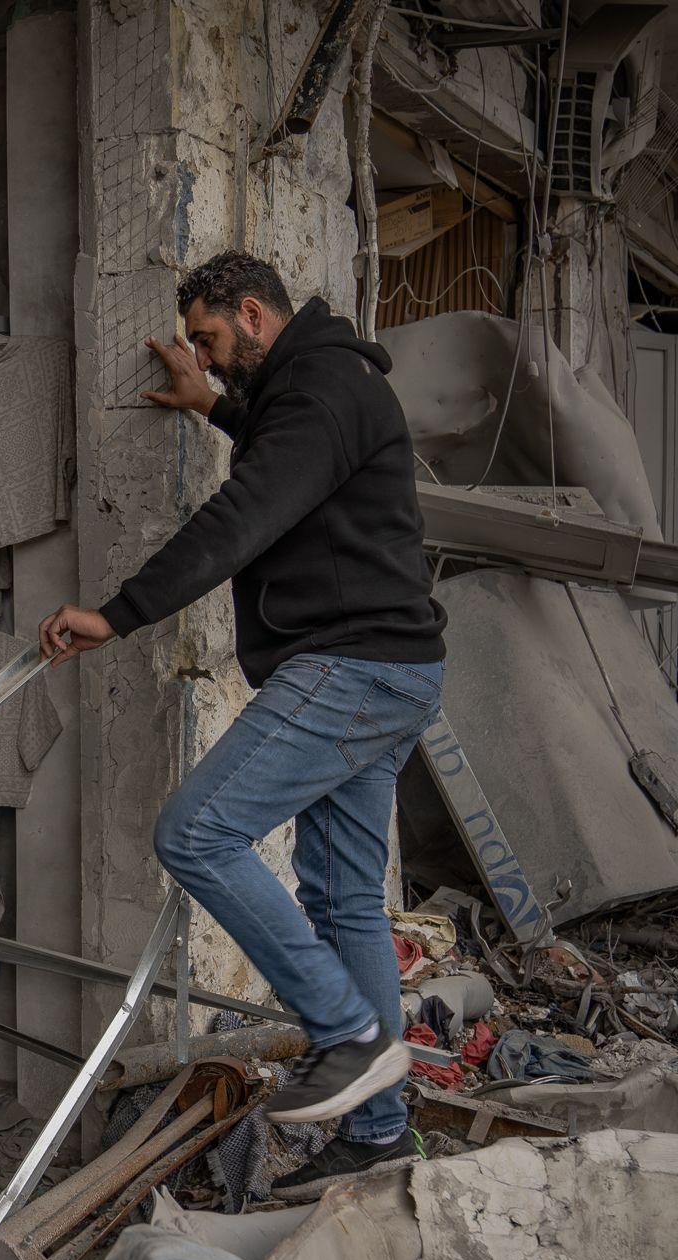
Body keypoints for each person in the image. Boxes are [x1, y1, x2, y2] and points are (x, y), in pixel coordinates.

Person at [39, 251, 447, 1201]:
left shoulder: (321, 391)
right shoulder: (317, 385)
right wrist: (212, 406)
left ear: (256, 316)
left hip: (355, 667)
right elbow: (287, 454)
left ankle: (346, 1038)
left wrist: (122, 610)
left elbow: (252, 508)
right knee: (342, 899)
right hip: (391, 670)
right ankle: (383, 1132)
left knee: (196, 830)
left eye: (214, 344)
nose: (210, 362)